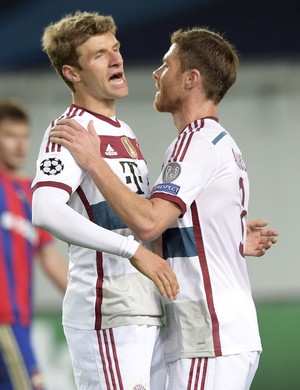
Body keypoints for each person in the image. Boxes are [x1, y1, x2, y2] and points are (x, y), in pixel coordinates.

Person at [49, 27, 279, 389]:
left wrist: (94, 162)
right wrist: (224, 237)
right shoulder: (213, 140)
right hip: (215, 331)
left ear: (191, 79)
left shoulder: (196, 142)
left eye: (165, 65)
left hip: (209, 334)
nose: (156, 74)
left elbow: (149, 223)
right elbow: (182, 220)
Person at [31, 11, 179, 390]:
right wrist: (132, 251)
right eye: (99, 55)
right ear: (72, 73)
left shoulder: (123, 131)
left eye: (116, 48)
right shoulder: (69, 130)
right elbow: (45, 210)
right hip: (106, 307)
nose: (117, 59)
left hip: (144, 305)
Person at [0, 100, 68, 390]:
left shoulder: (30, 193)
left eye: (24, 136)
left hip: (21, 320)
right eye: (10, 135)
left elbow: (49, 256)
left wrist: (91, 301)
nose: (20, 144)